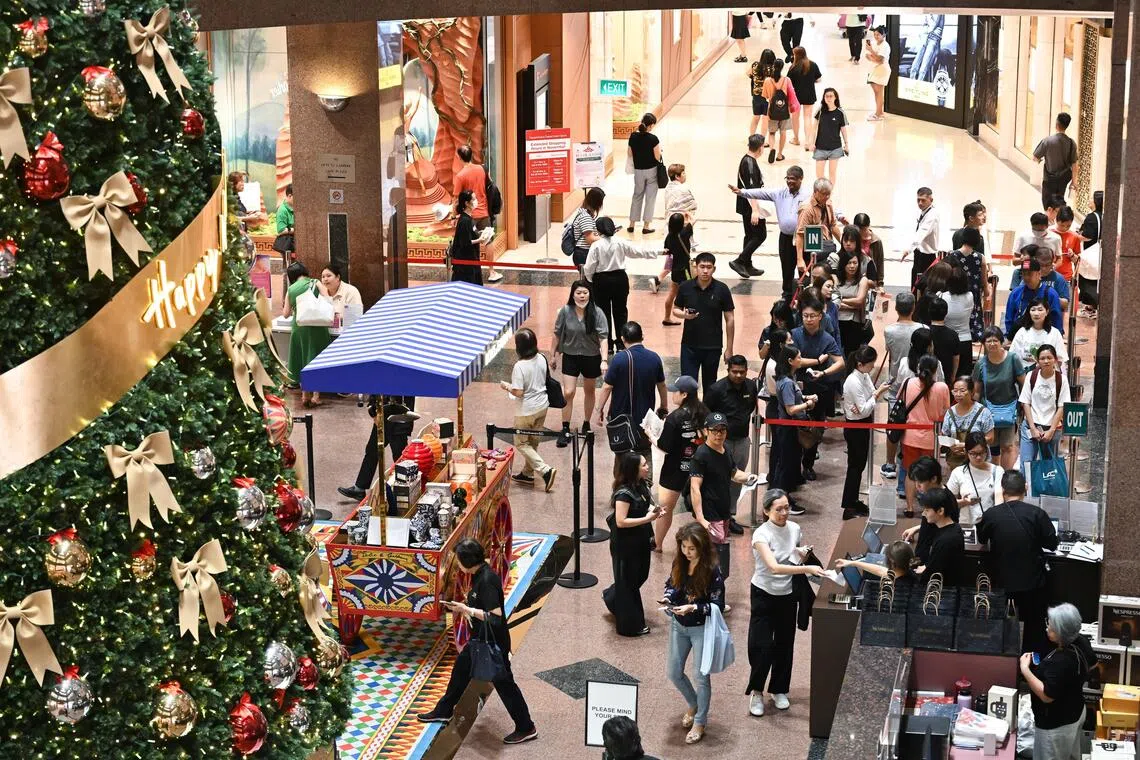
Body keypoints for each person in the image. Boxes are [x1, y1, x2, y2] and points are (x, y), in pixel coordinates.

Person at [418, 538, 538, 746]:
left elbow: (496, 617)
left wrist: (468, 610)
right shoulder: (477, 575)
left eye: (458, 559)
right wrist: (464, 608)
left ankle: (526, 727)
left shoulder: (487, 580)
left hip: (493, 642)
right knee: (461, 670)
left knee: (504, 684)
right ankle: (444, 710)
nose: (456, 563)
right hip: (478, 639)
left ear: (466, 560)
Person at [746, 488, 823, 717]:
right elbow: (774, 567)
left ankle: (779, 689)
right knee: (761, 646)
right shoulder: (761, 535)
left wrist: (801, 553)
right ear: (766, 510)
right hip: (763, 593)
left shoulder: (795, 528)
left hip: (788, 595)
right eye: (778, 509)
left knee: (784, 643)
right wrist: (807, 568)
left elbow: (792, 553)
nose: (784, 513)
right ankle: (757, 691)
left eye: (787, 507)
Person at [977, 470, 1059, 653]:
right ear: (1026, 489)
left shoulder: (992, 514)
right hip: (1032, 583)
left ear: (1003, 490)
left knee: (1003, 625)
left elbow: (981, 538)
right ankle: (1031, 662)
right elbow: (1052, 544)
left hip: (1002, 584)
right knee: (1033, 625)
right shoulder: (1037, 514)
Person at [664, 522, 726, 745]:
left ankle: (700, 721)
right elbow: (671, 584)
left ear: (701, 547)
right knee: (673, 672)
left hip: (701, 628)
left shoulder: (712, 571)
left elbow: (717, 604)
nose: (686, 552)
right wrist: (668, 599)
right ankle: (694, 703)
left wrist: (694, 608)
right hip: (678, 625)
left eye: (691, 548)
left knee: (701, 676)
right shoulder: (679, 562)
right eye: (683, 547)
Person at [1020, 603, 1095, 759]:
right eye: (1049, 623)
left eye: (1052, 628)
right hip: (1076, 711)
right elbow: (1094, 663)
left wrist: (1025, 669)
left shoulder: (1062, 661)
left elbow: (1047, 696)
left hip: (1056, 725)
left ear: (1062, 633)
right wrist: (1072, 681)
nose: (1047, 628)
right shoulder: (1081, 641)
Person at [690, 411, 760, 571]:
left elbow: (734, 473)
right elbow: (695, 487)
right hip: (709, 512)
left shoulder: (725, 450)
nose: (718, 434)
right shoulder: (701, 455)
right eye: (714, 430)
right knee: (712, 554)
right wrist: (700, 518)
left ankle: (716, 584)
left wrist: (749, 477)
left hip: (723, 510)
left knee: (719, 554)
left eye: (722, 430)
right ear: (706, 431)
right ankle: (709, 588)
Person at [597, 322, 669, 474]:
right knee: (645, 451)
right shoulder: (654, 358)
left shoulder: (619, 359)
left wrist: (599, 409)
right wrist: (664, 406)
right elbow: (661, 385)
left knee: (621, 453)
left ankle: (621, 487)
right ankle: (645, 489)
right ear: (642, 336)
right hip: (645, 419)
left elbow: (607, 387)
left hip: (622, 419)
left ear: (623, 339)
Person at [603, 452, 663, 637]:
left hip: (640, 540)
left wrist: (655, 511)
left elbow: (647, 506)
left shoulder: (642, 485)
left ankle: (612, 597)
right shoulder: (623, 494)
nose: (647, 467)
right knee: (628, 583)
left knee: (639, 576)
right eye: (644, 465)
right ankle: (630, 626)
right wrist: (647, 518)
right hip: (625, 544)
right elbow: (620, 521)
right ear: (634, 469)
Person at [584, 216, 661, 355]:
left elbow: (589, 267)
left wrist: (591, 280)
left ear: (598, 230)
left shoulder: (596, 245)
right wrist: (658, 252)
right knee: (620, 312)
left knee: (603, 313)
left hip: (602, 280)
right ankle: (621, 343)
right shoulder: (620, 242)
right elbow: (637, 252)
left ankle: (606, 344)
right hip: (620, 279)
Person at [731, 165, 809, 297]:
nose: (789, 181)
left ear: (801, 179)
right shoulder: (779, 193)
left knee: (805, 268)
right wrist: (742, 192)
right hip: (785, 238)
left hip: (804, 238)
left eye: (793, 179)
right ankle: (787, 294)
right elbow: (761, 193)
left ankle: (806, 294)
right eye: (787, 178)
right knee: (786, 267)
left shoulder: (809, 195)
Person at [705, 356, 759, 534]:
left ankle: (729, 516)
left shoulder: (751, 387)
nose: (738, 375)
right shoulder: (716, 389)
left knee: (737, 480)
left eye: (741, 372)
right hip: (722, 442)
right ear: (728, 370)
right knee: (718, 481)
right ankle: (715, 518)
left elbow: (751, 407)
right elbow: (706, 413)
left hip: (742, 440)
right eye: (734, 371)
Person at [792, 296, 844, 480]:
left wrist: (824, 372)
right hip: (797, 387)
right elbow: (794, 362)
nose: (809, 319)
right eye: (805, 316)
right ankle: (793, 467)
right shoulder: (795, 334)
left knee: (816, 428)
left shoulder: (827, 338)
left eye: (812, 316)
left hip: (820, 388)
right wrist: (815, 362)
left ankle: (808, 465)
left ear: (820, 316)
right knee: (795, 429)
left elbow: (840, 362)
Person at [552, 281, 608, 447]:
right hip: (570, 355)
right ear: (573, 294)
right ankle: (565, 428)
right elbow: (556, 334)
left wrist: (604, 360)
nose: (582, 296)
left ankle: (586, 422)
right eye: (578, 293)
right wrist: (553, 355)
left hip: (591, 357)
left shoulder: (597, 313)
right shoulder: (565, 311)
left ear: (589, 294)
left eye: (585, 292)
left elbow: (603, 338)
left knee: (589, 390)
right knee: (568, 392)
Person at [655, 376, 708, 552]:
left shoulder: (674, 418)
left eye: (675, 391)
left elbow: (665, 446)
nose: (672, 394)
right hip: (700, 467)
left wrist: (652, 438)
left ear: (684, 394)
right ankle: (700, 546)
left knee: (665, 509)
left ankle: (658, 544)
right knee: (700, 509)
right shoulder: (704, 413)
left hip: (675, 469)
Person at [501, 328, 557, 492]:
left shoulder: (520, 366)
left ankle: (545, 470)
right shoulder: (542, 357)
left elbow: (518, 392)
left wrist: (506, 386)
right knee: (533, 441)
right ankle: (527, 473)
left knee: (521, 443)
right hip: (542, 405)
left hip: (526, 410)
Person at [673, 252, 736, 395]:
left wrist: (729, 348)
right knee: (688, 385)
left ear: (714, 269)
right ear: (696, 267)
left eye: (709, 267)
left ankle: (708, 415)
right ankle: (691, 415)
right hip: (689, 345)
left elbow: (730, 319)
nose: (705, 271)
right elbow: (675, 309)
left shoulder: (722, 289)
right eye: (702, 267)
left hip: (712, 346)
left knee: (710, 385)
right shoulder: (685, 287)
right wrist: (684, 316)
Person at [337, 395, 417, 501]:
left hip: (399, 420)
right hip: (382, 415)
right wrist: (373, 410)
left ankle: (406, 492)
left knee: (399, 458)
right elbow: (377, 385)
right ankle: (359, 488)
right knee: (372, 451)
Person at [842, 346, 891, 519]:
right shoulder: (853, 381)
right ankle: (848, 506)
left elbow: (869, 395)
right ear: (861, 363)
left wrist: (872, 396)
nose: (872, 368)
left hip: (863, 424)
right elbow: (863, 409)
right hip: (855, 428)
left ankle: (853, 501)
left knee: (859, 466)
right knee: (854, 468)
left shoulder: (863, 375)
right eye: (871, 365)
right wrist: (877, 395)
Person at [898, 355, 950, 516]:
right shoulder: (942, 388)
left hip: (909, 436)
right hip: (931, 438)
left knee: (910, 472)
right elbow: (945, 410)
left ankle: (909, 507)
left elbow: (900, 400)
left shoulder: (908, 383)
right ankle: (930, 506)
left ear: (919, 367)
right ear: (935, 370)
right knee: (931, 475)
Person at [973, 326, 1027, 469]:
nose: (992, 344)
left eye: (995, 340)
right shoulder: (981, 364)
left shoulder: (1012, 359)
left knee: (1008, 446)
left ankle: (1006, 477)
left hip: (1009, 410)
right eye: (988, 341)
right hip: (987, 411)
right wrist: (974, 411)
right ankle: (993, 477)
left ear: (1001, 342)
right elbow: (977, 391)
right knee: (991, 446)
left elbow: (1023, 383)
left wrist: (1023, 405)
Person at [770, 345, 811, 516]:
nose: (801, 360)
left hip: (789, 428)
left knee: (789, 463)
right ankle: (780, 501)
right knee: (785, 465)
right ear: (790, 361)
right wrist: (807, 404)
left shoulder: (789, 379)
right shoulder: (786, 383)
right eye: (799, 357)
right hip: (787, 428)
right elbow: (790, 409)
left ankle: (783, 497)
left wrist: (805, 398)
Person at [283, 262, 331, 408]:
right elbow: (327, 298)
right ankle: (316, 396)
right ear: (305, 271)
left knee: (303, 358)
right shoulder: (315, 282)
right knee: (316, 358)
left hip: (299, 327)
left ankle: (304, 395)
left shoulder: (291, 289)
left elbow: (285, 314)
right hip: (317, 327)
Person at [454, 144, 503, 282]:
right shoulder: (482, 169)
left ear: (459, 158)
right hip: (484, 212)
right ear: (471, 155)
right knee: (488, 241)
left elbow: (456, 199)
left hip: (469, 216)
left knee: (469, 243)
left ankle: (473, 271)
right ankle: (492, 272)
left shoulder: (460, 176)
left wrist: (453, 216)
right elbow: (490, 184)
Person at [1019, 344, 1070, 471]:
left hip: (1052, 429)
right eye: (1042, 358)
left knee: (1049, 467)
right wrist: (1032, 428)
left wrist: (1051, 430)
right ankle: (1026, 491)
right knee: (1026, 464)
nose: (1046, 361)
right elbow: (1025, 402)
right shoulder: (1031, 376)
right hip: (1031, 426)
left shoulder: (1061, 380)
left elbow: (1062, 406)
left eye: (1049, 357)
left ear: (1055, 359)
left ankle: (1045, 490)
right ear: (1037, 360)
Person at [655, 163, 698, 297]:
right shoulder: (684, 189)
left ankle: (658, 279)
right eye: (683, 173)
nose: (685, 175)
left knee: (672, 256)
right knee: (680, 257)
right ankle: (660, 279)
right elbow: (693, 204)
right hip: (681, 224)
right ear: (677, 176)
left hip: (670, 224)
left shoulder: (668, 188)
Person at [945, 431, 1005, 525]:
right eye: (973, 453)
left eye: (981, 453)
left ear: (986, 451)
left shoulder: (997, 471)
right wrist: (963, 502)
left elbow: (999, 498)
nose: (978, 457)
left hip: (990, 524)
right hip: (967, 525)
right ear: (966, 452)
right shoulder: (958, 472)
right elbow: (947, 503)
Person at [730, 134, 767, 279]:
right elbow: (752, 189)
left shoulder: (747, 160)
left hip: (745, 204)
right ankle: (740, 260)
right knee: (760, 235)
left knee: (750, 235)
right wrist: (755, 210)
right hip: (750, 205)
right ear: (760, 147)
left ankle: (747, 263)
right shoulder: (750, 163)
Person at [945, 224, 990, 343]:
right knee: (973, 313)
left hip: (955, 291)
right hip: (973, 293)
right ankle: (974, 333)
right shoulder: (981, 258)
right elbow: (983, 281)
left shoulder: (952, 255)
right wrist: (986, 292)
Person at [914, 487, 965, 587]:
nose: (924, 514)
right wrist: (927, 566)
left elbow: (931, 576)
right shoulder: (954, 527)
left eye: (927, 510)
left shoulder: (945, 540)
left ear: (940, 511)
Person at [941, 376, 995, 470]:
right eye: (955, 390)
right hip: (956, 462)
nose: (958, 394)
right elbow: (945, 435)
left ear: (971, 391)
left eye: (962, 390)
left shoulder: (983, 412)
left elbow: (990, 438)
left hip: (979, 461)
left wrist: (968, 445)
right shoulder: (950, 413)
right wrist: (951, 446)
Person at [899, 456, 946, 562]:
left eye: (920, 483)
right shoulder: (932, 496)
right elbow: (935, 524)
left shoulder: (943, 501)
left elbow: (944, 536)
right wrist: (917, 528)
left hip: (927, 562)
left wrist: (926, 566)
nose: (916, 487)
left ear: (933, 479)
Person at [1005, 259, 1063, 339]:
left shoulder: (1051, 294)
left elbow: (1057, 321)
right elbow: (1009, 318)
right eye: (1023, 274)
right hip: (1020, 337)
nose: (1026, 277)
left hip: (1044, 338)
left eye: (1029, 274)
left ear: (1039, 274)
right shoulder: (1016, 293)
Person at [794, 177, 845, 269]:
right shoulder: (807, 209)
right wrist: (800, 259)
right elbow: (800, 234)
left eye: (828, 194)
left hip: (827, 247)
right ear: (815, 192)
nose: (827, 197)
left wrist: (843, 243)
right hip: (811, 251)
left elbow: (833, 225)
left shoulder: (828, 203)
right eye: (824, 194)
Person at [1033, 112, 1079, 210]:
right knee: (1059, 202)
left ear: (1056, 124)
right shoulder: (1071, 143)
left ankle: (1049, 220)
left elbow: (1035, 157)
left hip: (1049, 180)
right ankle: (1058, 219)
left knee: (1047, 204)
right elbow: (1075, 165)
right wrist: (1074, 182)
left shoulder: (1047, 141)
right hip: (1063, 180)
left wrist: (1041, 159)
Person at [835, 249, 873, 365]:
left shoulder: (863, 280)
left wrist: (840, 302)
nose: (852, 266)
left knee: (852, 354)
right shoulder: (837, 279)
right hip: (838, 321)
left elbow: (859, 301)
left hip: (854, 323)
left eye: (855, 263)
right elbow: (833, 300)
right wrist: (849, 305)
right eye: (849, 263)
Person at [627, 113, 662, 235]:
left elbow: (630, 154)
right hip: (651, 171)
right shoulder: (653, 139)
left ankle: (632, 224)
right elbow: (657, 157)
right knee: (650, 198)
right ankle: (646, 226)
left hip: (638, 171)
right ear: (651, 125)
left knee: (637, 196)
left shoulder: (633, 136)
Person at [1010, 299, 1068, 371]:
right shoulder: (1022, 332)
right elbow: (1013, 357)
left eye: (1040, 310)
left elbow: (1060, 359)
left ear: (1047, 312)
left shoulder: (1055, 333)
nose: (1036, 313)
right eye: (1033, 310)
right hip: (1024, 374)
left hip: (1048, 374)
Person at [835, 540, 919, 589]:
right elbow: (881, 570)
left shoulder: (895, 587)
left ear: (891, 561)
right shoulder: (908, 571)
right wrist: (853, 563)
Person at [902, 187, 941, 290]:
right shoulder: (925, 211)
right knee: (915, 282)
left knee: (922, 286)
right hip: (919, 254)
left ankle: (919, 304)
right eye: (918, 200)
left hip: (927, 257)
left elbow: (920, 234)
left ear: (931, 200)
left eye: (923, 200)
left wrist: (908, 250)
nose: (920, 203)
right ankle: (914, 303)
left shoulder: (932, 215)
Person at [810, 88, 849, 188]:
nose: (829, 98)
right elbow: (814, 128)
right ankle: (822, 192)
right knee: (819, 175)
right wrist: (811, 143)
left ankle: (829, 196)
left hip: (835, 148)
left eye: (831, 96)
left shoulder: (840, 113)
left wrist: (846, 144)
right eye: (826, 96)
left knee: (832, 173)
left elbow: (843, 129)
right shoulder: (820, 110)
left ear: (835, 97)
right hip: (820, 147)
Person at [942, 266, 976, 377]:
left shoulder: (942, 296)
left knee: (946, 374)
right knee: (964, 377)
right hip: (965, 339)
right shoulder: (970, 296)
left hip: (947, 340)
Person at [661, 212, 694, 325]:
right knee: (691, 293)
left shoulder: (669, 237)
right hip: (685, 269)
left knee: (672, 294)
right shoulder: (684, 234)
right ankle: (690, 317)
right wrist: (688, 215)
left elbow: (667, 252)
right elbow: (693, 221)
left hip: (675, 270)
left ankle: (666, 317)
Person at [450, 189, 487, 286]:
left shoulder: (469, 218)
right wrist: (479, 240)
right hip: (465, 264)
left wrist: (480, 234)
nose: (476, 201)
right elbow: (465, 242)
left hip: (472, 259)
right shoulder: (464, 221)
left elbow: (471, 233)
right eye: (474, 199)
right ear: (467, 203)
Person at [787, 47, 822, 148]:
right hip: (809, 94)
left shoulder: (793, 68)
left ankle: (796, 139)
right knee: (807, 118)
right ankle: (808, 142)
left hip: (795, 96)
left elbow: (788, 83)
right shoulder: (812, 64)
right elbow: (818, 79)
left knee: (795, 117)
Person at [1076, 190, 1102, 317]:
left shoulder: (1092, 217)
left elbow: (1088, 236)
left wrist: (1077, 236)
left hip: (1092, 253)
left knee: (1088, 280)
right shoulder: (1105, 215)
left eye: (1092, 198)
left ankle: (1091, 307)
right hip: (1101, 252)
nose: (1089, 200)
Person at [762, 60, 793, 164]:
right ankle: (780, 154)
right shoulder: (786, 80)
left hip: (772, 111)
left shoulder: (767, 81)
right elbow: (790, 95)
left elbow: (765, 96)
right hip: (784, 110)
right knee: (783, 132)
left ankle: (771, 149)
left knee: (771, 132)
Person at [568, 187, 606, 271]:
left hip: (583, 253)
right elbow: (590, 239)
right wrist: (604, 238)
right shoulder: (585, 217)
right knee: (588, 281)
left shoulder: (584, 213)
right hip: (584, 253)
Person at [927, 299, 960, 383]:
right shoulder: (953, 334)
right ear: (946, 313)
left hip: (926, 376)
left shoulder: (924, 332)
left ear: (929, 311)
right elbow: (956, 357)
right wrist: (953, 375)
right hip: (946, 377)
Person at [749, 49, 779, 136]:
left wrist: (755, 78)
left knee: (756, 117)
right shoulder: (774, 69)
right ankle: (762, 138)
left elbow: (748, 73)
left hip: (757, 95)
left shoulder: (755, 65)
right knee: (765, 118)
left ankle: (751, 136)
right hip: (768, 96)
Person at [853, 213, 886, 290]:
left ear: (868, 226)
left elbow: (880, 263)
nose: (861, 232)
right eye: (858, 229)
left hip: (870, 279)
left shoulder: (876, 241)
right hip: (854, 277)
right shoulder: (852, 239)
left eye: (863, 229)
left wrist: (880, 284)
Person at [865, 26, 891, 121]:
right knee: (876, 92)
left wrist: (871, 52)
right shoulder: (875, 43)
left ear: (883, 35)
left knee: (879, 92)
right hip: (874, 69)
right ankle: (879, 112)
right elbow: (870, 57)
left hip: (881, 70)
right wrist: (871, 56)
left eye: (878, 35)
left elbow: (880, 60)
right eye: (874, 34)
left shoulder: (885, 46)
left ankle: (879, 114)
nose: (876, 36)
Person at [1052, 205, 1080, 283]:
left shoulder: (1074, 236)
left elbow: (1077, 260)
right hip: (1048, 275)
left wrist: (1072, 255)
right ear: (1056, 220)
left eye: (1068, 226)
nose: (1065, 228)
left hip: (1066, 277)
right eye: (1062, 225)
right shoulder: (1048, 233)